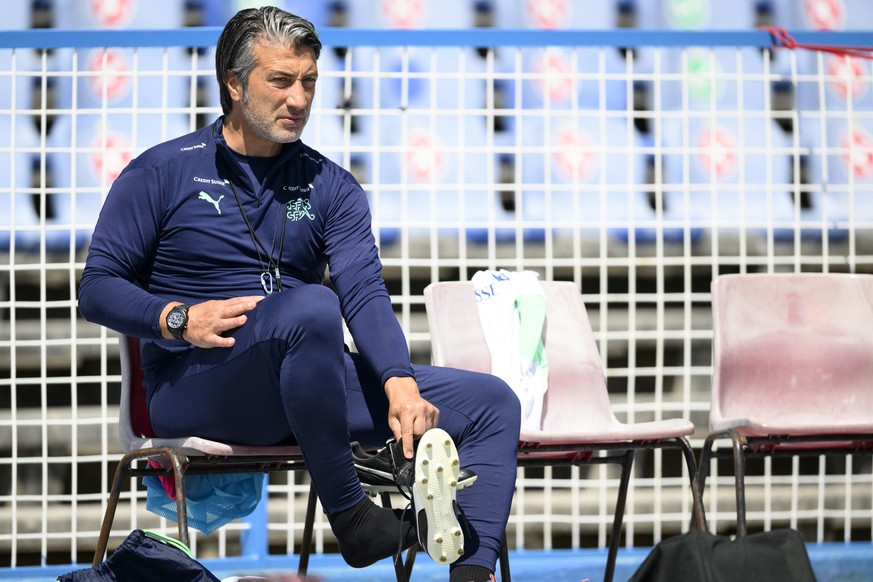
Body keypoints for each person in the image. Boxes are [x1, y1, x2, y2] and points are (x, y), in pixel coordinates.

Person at [78, 6, 521, 582]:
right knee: (311, 308)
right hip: (197, 384)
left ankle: (471, 575)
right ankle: (353, 517)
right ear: (234, 84)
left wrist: (401, 384)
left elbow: (363, 290)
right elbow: (96, 288)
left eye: (309, 81)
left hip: (306, 380)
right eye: (280, 80)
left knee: (493, 403)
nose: (299, 99)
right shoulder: (161, 172)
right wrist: (178, 317)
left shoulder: (331, 185)